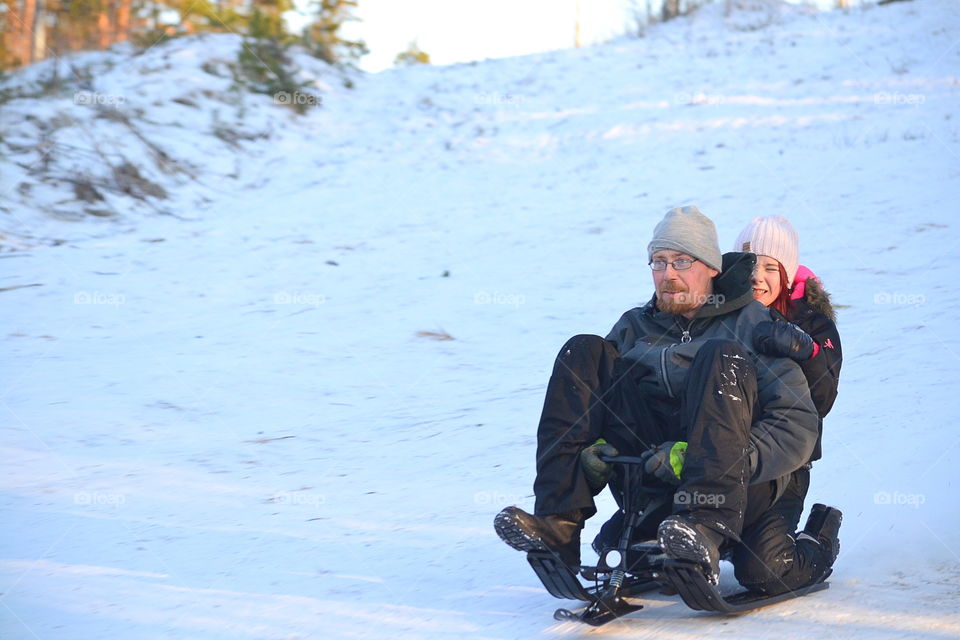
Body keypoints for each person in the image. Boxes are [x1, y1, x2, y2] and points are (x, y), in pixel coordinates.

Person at [494, 206, 841, 592]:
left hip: (744, 488)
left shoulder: (753, 324)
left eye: (681, 260)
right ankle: (559, 523)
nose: (668, 274)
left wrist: (714, 461)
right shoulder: (634, 326)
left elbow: (797, 423)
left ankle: (714, 532)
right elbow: (602, 404)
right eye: (658, 262)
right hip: (659, 479)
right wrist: (595, 453)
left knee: (765, 570)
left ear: (711, 266)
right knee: (583, 352)